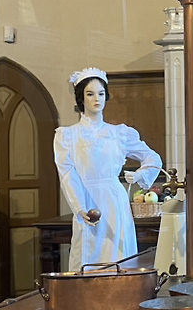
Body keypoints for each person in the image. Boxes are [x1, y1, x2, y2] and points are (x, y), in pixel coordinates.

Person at [53, 68, 163, 272]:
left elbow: (153, 158)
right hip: (87, 200)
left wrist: (140, 174)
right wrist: (80, 207)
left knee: (119, 255)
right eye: (90, 94)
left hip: (115, 201)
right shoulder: (67, 136)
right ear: (81, 98)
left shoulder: (119, 133)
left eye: (101, 93)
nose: (97, 99)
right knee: (87, 253)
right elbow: (67, 174)